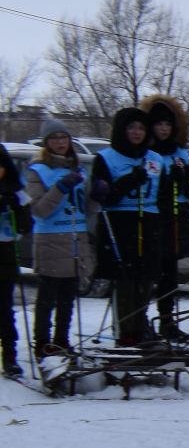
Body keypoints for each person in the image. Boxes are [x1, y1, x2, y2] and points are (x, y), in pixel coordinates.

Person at [89, 106, 165, 345]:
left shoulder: (155, 159)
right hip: (120, 223)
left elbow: (163, 194)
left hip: (149, 221)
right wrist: (130, 180)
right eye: (131, 127)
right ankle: (125, 332)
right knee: (125, 280)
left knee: (145, 279)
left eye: (141, 128)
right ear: (122, 130)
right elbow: (104, 196)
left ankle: (140, 326)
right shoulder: (106, 157)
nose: (136, 132)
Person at [23, 119, 95, 360]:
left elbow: (85, 208)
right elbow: (40, 209)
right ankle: (42, 343)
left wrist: (98, 196)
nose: (60, 143)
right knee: (47, 299)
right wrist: (61, 188)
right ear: (47, 143)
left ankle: (61, 341)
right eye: (54, 139)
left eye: (63, 138)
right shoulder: (38, 170)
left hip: (76, 239)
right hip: (51, 240)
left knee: (67, 299)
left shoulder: (77, 169)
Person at [142, 95, 189, 344]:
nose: (163, 129)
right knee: (150, 270)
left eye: (167, 125)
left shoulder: (180, 153)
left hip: (177, 216)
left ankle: (168, 320)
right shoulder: (147, 152)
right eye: (159, 125)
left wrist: (188, 177)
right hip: (154, 215)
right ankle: (140, 319)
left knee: (170, 271)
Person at [0, 146, 24, 377]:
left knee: (5, 309)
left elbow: (27, 221)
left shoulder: (14, 190)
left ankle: (10, 356)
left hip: (5, 256)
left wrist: (17, 209)